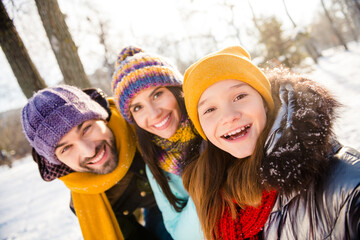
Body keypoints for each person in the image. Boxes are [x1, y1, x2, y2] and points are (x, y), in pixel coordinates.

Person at [182, 45, 360, 239]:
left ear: (265, 102)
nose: (229, 116)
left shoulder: (345, 184)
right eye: (209, 110)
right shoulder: (211, 191)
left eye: (240, 96)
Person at [21, 85, 172, 240]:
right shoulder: (86, 203)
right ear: (59, 161)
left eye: (86, 129)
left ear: (102, 118)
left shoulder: (145, 123)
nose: (89, 151)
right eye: (66, 148)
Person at [112, 46, 203, 240]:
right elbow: (179, 233)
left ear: (176, 89)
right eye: (138, 107)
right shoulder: (156, 164)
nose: (153, 114)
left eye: (157, 94)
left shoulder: (213, 127)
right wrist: (204, 190)